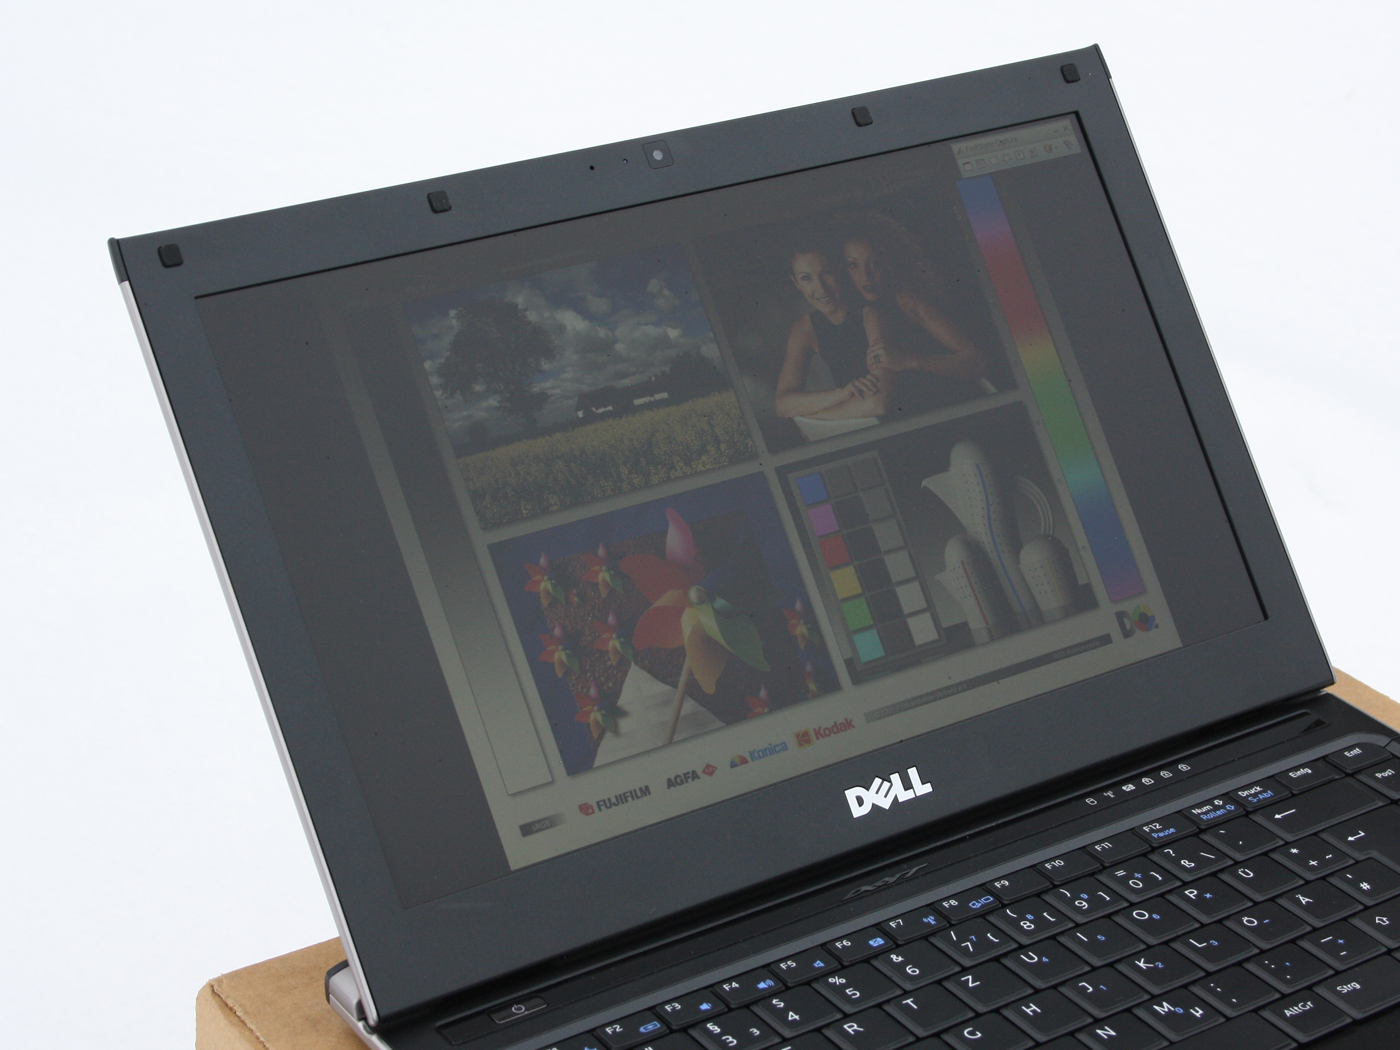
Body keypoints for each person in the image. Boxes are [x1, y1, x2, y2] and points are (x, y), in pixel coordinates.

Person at [841, 213, 990, 412]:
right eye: (854, 265)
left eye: (874, 263)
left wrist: (909, 361)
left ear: (889, 262)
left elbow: (978, 362)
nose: (865, 276)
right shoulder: (854, 314)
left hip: (954, 405)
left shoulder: (909, 301)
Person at [773, 240, 891, 422]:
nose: (821, 288)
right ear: (795, 282)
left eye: (827, 273)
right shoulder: (804, 328)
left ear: (839, 271)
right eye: (806, 278)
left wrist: (817, 416)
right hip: (858, 425)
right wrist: (841, 394)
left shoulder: (871, 313)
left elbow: (877, 404)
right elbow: (783, 405)